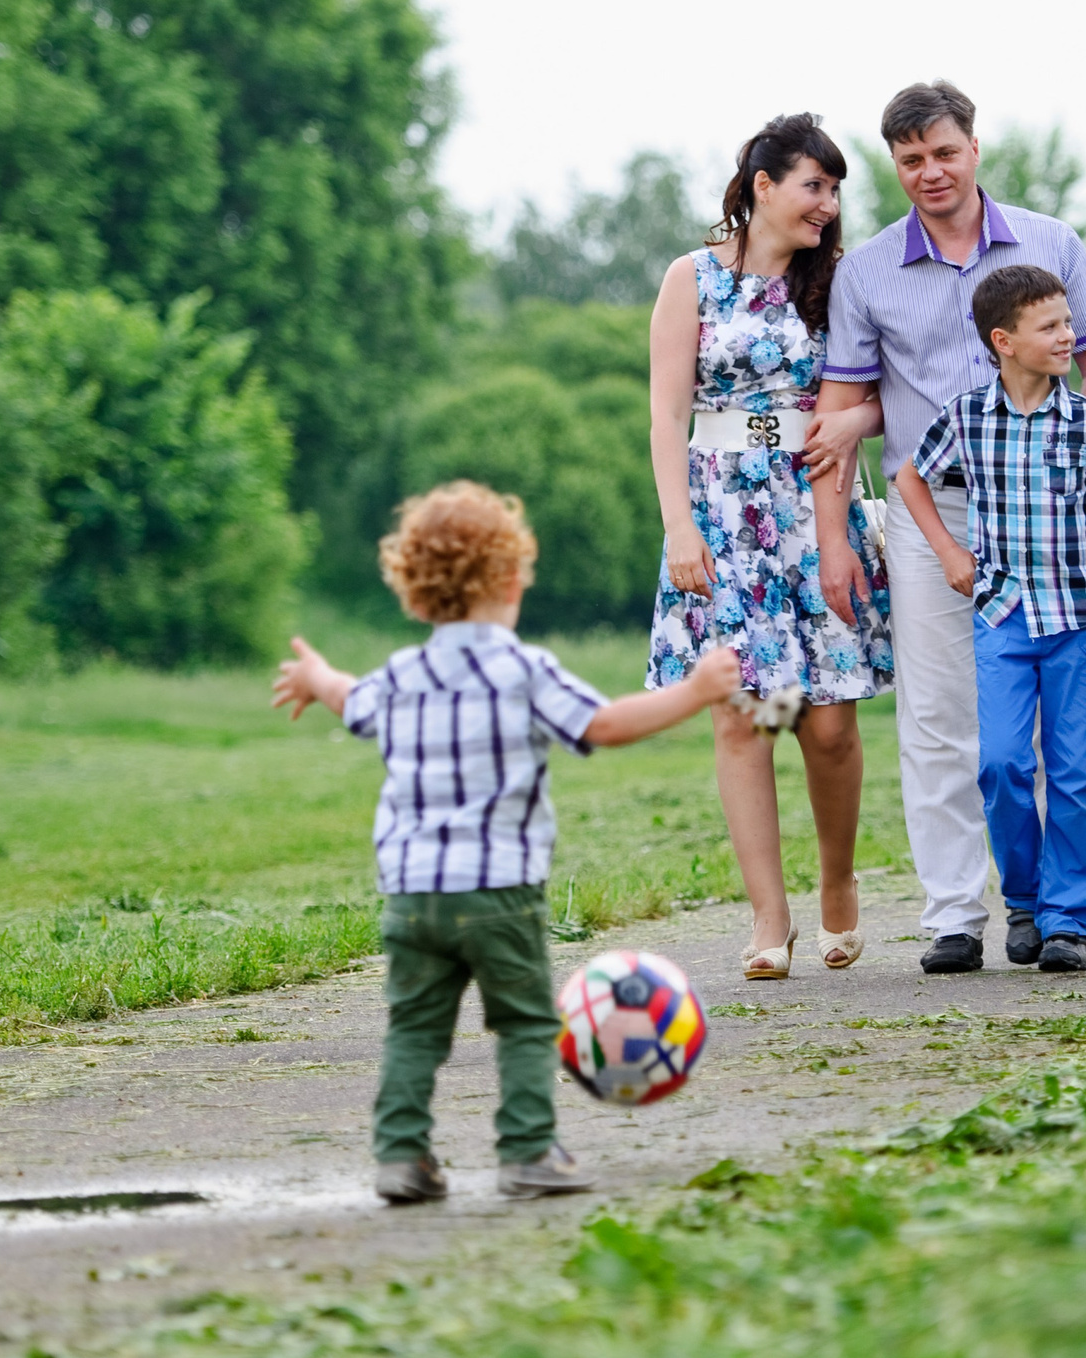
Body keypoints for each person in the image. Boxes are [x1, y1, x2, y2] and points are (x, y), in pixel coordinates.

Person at [272, 481, 742, 1204]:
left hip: (412, 896)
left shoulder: (402, 674)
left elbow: (348, 696)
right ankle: (526, 1151)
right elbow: (603, 726)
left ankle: (401, 1156)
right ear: (510, 577)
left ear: (415, 590)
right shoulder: (523, 670)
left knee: (413, 1031)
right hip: (498, 892)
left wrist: (315, 674)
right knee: (524, 1022)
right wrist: (697, 690)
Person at [813, 81, 1086, 975]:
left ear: (974, 147)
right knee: (939, 719)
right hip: (930, 515)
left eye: (943, 152)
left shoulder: (1049, 243)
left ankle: (1040, 903)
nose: (930, 172)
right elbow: (842, 407)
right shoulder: (867, 272)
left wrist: (1075, 451)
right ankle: (956, 913)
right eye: (910, 159)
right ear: (896, 165)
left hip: (1042, 516)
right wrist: (835, 540)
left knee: (1042, 737)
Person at [646, 114, 896, 981]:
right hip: (718, 513)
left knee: (826, 725)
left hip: (813, 507)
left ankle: (837, 884)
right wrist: (679, 523)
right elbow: (667, 415)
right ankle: (767, 918)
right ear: (763, 186)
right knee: (742, 716)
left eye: (834, 192)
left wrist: (855, 419)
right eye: (813, 187)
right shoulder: (693, 279)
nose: (827, 206)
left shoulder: (843, 284)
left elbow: (873, 397)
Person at [893, 266, 1086, 973]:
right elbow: (909, 476)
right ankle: (1026, 900)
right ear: (1004, 341)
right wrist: (948, 549)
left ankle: (1068, 922)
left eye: (1069, 322)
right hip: (1002, 617)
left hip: (1079, 619)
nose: (1069, 335)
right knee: (1003, 764)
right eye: (1052, 326)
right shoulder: (969, 417)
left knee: (1074, 774)